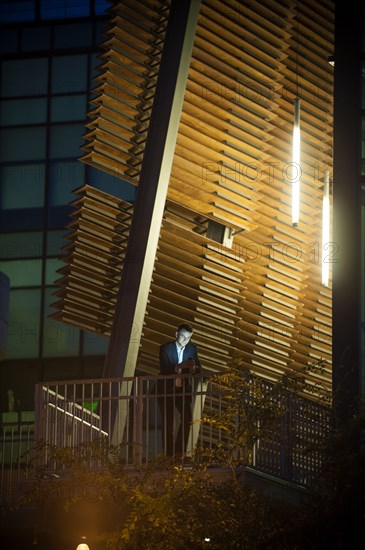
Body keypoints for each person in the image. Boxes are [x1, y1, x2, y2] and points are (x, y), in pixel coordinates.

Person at [158, 322, 202, 457]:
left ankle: (178, 450)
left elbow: (199, 368)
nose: (185, 340)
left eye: (188, 338)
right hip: (166, 390)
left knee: (188, 418)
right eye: (183, 336)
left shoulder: (192, 349)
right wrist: (179, 367)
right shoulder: (166, 348)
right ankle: (169, 454)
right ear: (176, 334)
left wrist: (194, 369)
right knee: (168, 422)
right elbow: (164, 369)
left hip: (182, 391)